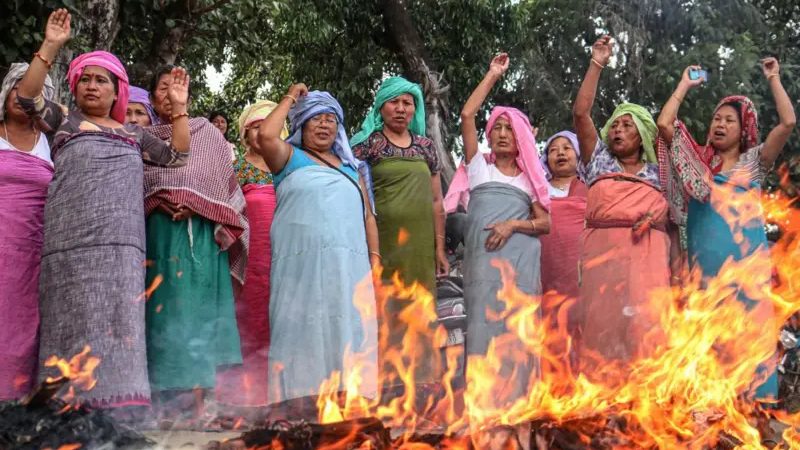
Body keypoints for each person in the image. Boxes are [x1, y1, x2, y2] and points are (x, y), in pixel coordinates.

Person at [18, 9, 191, 407]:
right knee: (69, 322)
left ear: (117, 93)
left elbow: (177, 158)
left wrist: (179, 107)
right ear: (75, 88)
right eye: (86, 80)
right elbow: (27, 97)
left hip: (122, 251)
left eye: (102, 81)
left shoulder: (134, 133)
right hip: (68, 249)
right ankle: (62, 406)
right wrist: (51, 46)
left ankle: (120, 407)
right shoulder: (64, 121)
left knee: (118, 325)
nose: (93, 86)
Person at [656, 58, 796, 399]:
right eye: (716, 118)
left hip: (747, 273)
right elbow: (664, 124)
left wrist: (774, 77)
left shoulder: (753, 164)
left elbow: (788, 122)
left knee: (751, 342)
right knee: (708, 348)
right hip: (705, 274)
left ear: (743, 126)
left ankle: (755, 414)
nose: (719, 124)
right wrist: (684, 85)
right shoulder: (696, 165)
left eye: (729, 120)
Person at [256, 85, 379, 417]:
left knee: (348, 326)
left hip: (347, 267)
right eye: (316, 119)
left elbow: (368, 216)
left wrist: (375, 260)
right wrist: (290, 98)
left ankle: (347, 407)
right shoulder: (288, 157)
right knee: (300, 325)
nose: (324, 125)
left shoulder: (353, 168)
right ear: (302, 125)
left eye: (331, 120)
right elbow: (266, 135)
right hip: (300, 268)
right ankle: (297, 407)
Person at [446, 53, 551, 413]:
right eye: (497, 129)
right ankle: (482, 410)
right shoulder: (478, 168)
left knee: (517, 333)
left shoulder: (528, 178)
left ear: (520, 136)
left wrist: (512, 225)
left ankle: (519, 409)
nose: (502, 134)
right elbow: (466, 115)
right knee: (481, 330)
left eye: (509, 129)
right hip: (483, 267)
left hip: (520, 266)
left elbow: (545, 223)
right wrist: (492, 74)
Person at [143, 65, 247, 422]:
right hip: (157, 238)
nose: (170, 94)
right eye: (162, 87)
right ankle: (163, 408)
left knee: (200, 317)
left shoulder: (208, 134)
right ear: (152, 97)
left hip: (201, 240)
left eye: (177, 88)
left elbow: (222, 185)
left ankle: (205, 407)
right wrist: (159, 199)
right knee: (160, 319)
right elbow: (133, 187)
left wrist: (197, 204)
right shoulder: (140, 135)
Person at [572, 35, 675, 367]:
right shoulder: (599, 161)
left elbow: (672, 223)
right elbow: (581, 113)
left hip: (648, 259)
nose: (617, 130)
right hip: (603, 255)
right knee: (602, 327)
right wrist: (597, 62)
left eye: (626, 125)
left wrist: (678, 266)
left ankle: (647, 408)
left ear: (643, 135)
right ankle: (601, 409)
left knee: (645, 328)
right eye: (614, 125)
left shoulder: (661, 171)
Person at [350, 76, 447, 389]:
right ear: (382, 107)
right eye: (395, 102)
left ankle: (424, 382)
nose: (402, 109)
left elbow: (436, 201)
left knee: (421, 309)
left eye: (408, 103)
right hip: (384, 244)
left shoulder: (425, 147)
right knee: (386, 308)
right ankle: (388, 384)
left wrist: (440, 248)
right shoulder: (367, 145)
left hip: (421, 247)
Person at [216, 99, 287, 408]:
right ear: (244, 135)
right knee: (251, 321)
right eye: (253, 128)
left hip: (286, 256)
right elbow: (226, 211)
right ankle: (249, 397)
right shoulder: (237, 168)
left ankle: (283, 394)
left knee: (284, 320)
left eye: (265, 128)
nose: (259, 134)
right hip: (250, 259)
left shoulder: (286, 167)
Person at [0, 63, 55, 401]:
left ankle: (12, 402)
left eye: (31, 91)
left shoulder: (52, 144)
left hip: (33, 252)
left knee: (24, 326)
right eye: (17, 87)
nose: (22, 96)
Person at [537, 131, 587, 367]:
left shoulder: (590, 190)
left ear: (577, 155)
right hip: (546, 270)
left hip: (582, 272)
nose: (560, 153)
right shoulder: (537, 192)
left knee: (584, 326)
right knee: (550, 327)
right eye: (553, 150)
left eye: (567, 148)